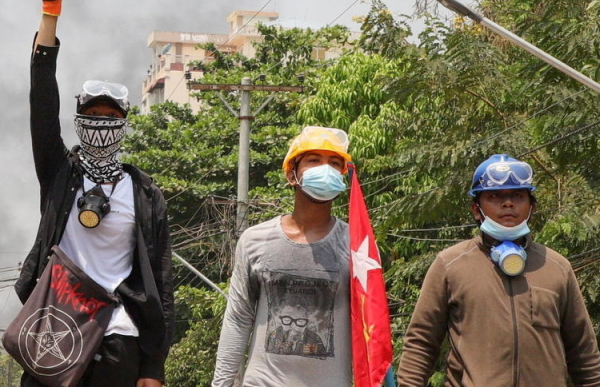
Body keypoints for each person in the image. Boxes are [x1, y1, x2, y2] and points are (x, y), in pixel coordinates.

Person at [13, 0, 174, 387]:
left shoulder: (144, 193)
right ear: (79, 121)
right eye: (92, 116)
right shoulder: (60, 173)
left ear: (124, 125)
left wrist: (153, 368)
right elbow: (42, 99)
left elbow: (160, 280)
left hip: (118, 336)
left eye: (110, 118)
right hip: (54, 330)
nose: (101, 125)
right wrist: (50, 14)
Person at [397, 154, 600, 386]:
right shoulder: (450, 264)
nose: (508, 204)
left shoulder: (557, 267)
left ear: (532, 207)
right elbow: (421, 343)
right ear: (476, 209)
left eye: (518, 195)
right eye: (495, 196)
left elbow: (583, 352)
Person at [212, 126, 354, 387]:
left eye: (335, 163)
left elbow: (372, 327)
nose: (325, 169)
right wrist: (221, 384)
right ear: (292, 174)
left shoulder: (356, 244)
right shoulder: (256, 240)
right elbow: (238, 317)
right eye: (313, 160)